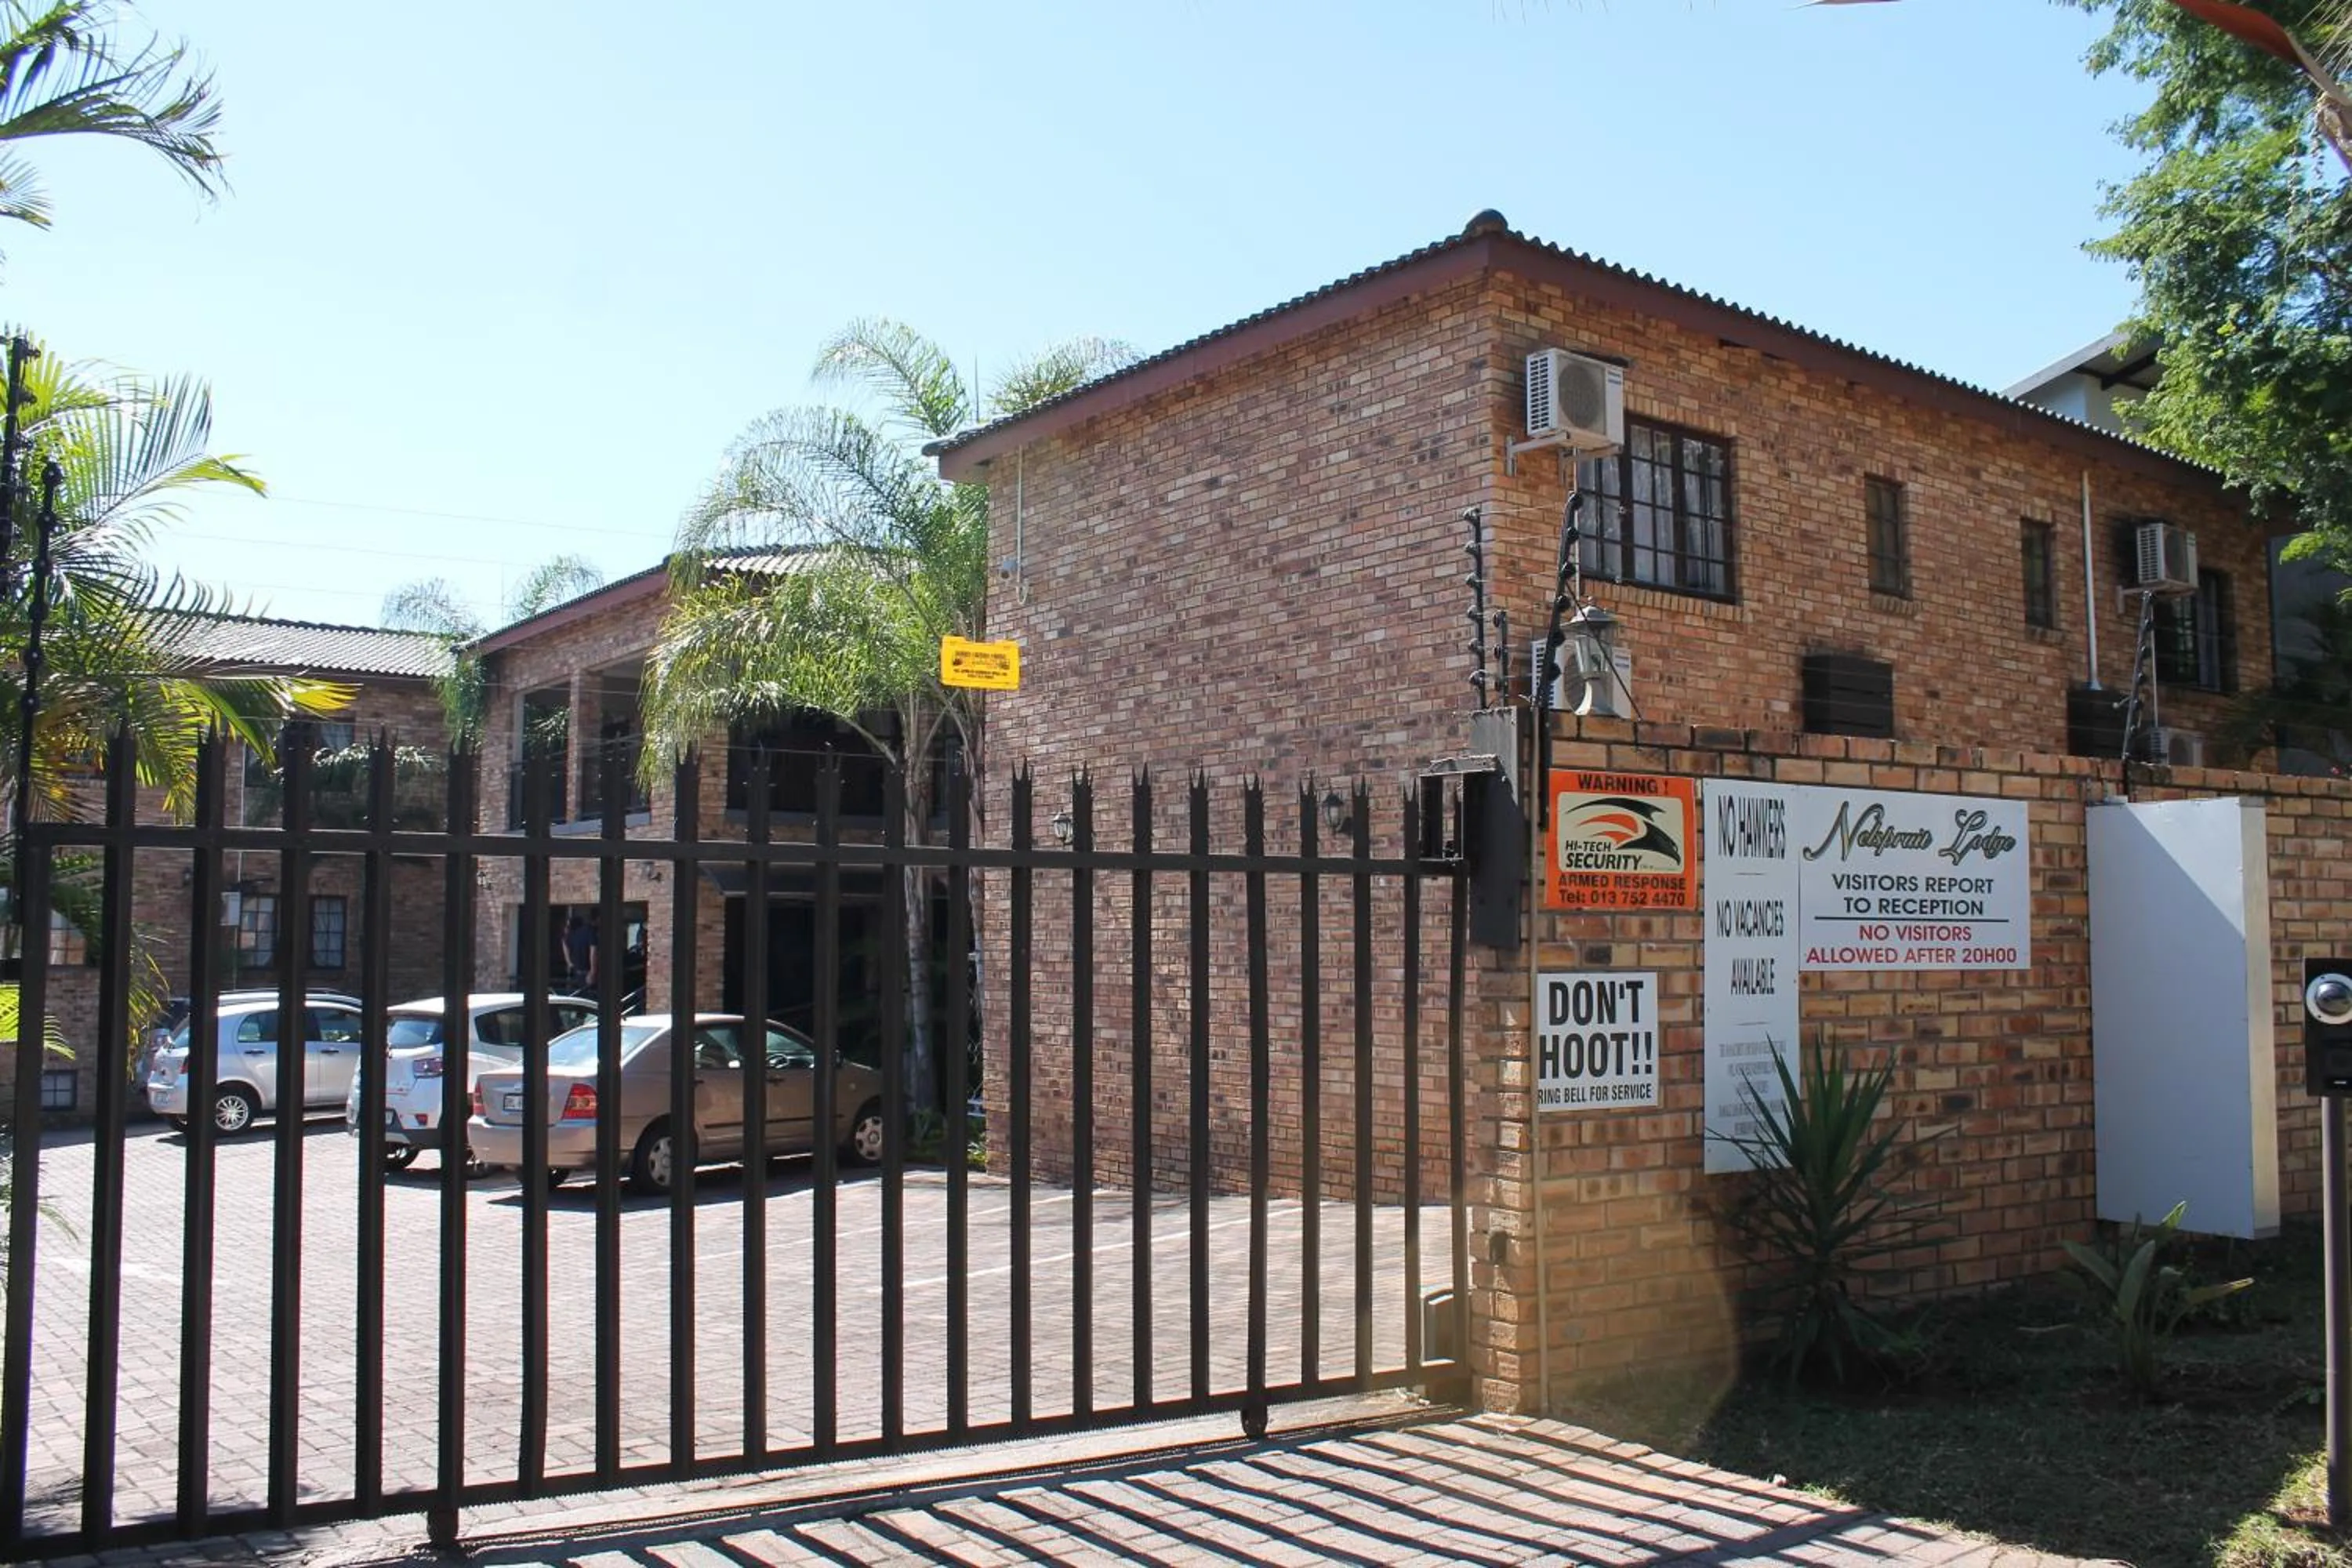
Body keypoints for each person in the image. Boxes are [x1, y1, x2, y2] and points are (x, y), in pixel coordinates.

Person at [563, 913, 597, 994]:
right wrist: (593, 971)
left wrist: (570, 963)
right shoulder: (589, 931)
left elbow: (565, 948)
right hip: (588, 971)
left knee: (577, 994)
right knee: (592, 996)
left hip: (577, 971)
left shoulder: (569, 936)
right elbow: (593, 952)